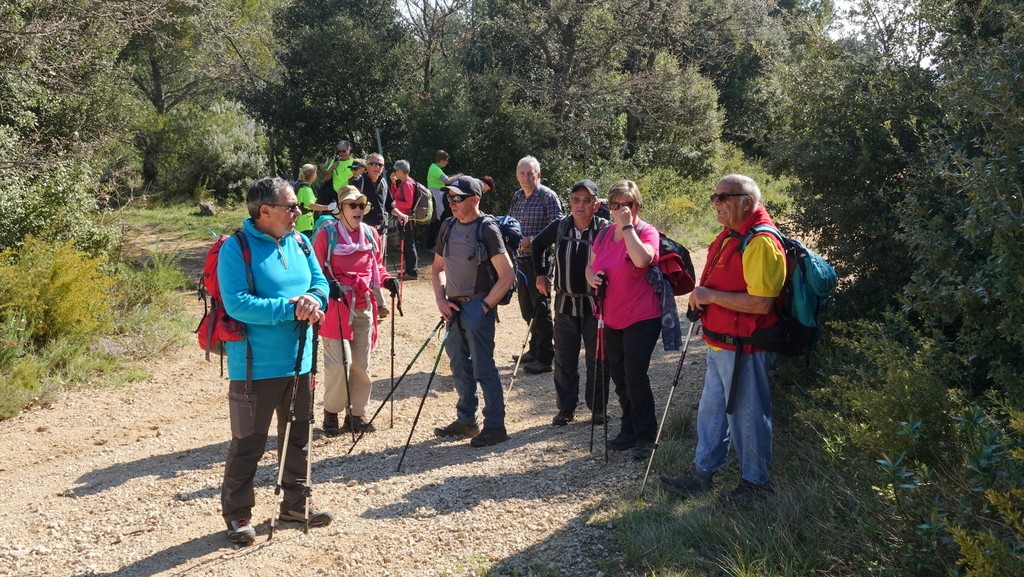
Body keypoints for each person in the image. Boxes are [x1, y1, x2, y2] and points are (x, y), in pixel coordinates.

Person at [217, 177, 333, 545]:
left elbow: (321, 283)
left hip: (300, 360)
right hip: (256, 364)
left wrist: (315, 298)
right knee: (249, 441)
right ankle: (238, 515)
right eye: (291, 206)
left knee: (298, 436)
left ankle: (296, 504)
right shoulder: (235, 248)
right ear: (264, 211)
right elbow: (237, 302)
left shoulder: (300, 241)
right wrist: (291, 308)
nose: (298, 212)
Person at [660, 174, 785, 504]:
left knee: (746, 414)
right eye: (714, 196)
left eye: (723, 197)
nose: (716, 202)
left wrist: (709, 296)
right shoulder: (734, 234)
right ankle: (702, 472)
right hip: (723, 342)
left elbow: (761, 303)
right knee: (712, 409)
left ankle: (755, 485)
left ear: (746, 201)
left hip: (745, 346)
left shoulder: (760, 241)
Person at [431, 176, 515, 447]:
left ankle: (495, 425)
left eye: (458, 198)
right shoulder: (448, 226)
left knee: (483, 367)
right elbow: (436, 268)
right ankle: (466, 419)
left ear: (475, 199)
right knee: (459, 365)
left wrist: (485, 306)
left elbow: (507, 274)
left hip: (478, 307)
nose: (452, 202)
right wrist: (441, 300)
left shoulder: (487, 228)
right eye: (450, 197)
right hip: (453, 308)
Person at [313, 186, 399, 437]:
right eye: (352, 205)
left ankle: (356, 414)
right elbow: (315, 270)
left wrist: (386, 280)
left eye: (361, 205)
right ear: (340, 209)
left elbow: (376, 266)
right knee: (340, 363)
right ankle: (331, 412)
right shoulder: (326, 235)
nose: (358, 210)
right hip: (336, 307)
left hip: (363, 304)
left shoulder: (370, 234)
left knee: (361, 363)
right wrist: (329, 285)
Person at [585, 179, 661, 461]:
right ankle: (628, 427)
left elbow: (643, 260)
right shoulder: (604, 234)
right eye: (615, 205)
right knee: (618, 375)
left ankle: (645, 434)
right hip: (610, 316)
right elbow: (590, 266)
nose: (620, 210)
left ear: (637, 205)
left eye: (626, 204)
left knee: (635, 375)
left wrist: (628, 226)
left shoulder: (645, 231)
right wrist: (591, 277)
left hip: (642, 316)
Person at [531, 179, 610, 426]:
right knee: (564, 359)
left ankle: (598, 409)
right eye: (576, 199)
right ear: (570, 202)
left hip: (595, 306)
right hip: (565, 304)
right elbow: (537, 246)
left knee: (597, 359)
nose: (581, 205)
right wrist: (540, 274)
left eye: (587, 200)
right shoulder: (561, 226)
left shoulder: (605, 230)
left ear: (596, 205)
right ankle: (566, 408)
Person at [508, 155, 562, 375]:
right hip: (519, 260)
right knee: (526, 308)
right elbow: (511, 223)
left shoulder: (548, 197)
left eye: (531, 173)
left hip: (540, 260)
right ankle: (534, 349)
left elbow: (558, 226)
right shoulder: (517, 197)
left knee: (541, 308)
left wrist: (531, 238)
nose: (526, 177)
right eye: (522, 173)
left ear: (538, 174)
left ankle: (545, 356)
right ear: (517, 176)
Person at [350, 152, 408, 318]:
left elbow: (389, 205)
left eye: (380, 165)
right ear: (366, 166)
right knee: (368, 266)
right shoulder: (358, 182)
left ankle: (374, 301)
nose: (377, 167)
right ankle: (379, 303)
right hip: (362, 232)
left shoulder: (383, 183)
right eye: (373, 164)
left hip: (380, 232)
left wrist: (399, 214)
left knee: (377, 265)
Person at [425, 150, 463, 250]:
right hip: (437, 195)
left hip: (438, 194)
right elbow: (447, 181)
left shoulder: (434, 168)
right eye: (446, 160)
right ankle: (432, 245)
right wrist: (458, 176)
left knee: (439, 220)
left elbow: (445, 178)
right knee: (438, 220)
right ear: (441, 160)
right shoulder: (435, 168)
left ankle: (434, 244)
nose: (447, 162)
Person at [389, 159, 421, 280]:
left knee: (409, 244)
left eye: (396, 170)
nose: (394, 172)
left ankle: (412, 272)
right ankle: (409, 270)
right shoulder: (403, 183)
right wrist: (393, 182)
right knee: (407, 244)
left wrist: (393, 204)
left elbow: (408, 204)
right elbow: (394, 196)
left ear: (401, 171)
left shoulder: (407, 184)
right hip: (404, 217)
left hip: (407, 218)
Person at [315, 140, 355, 220]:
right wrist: (332, 167)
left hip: (347, 196)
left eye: (344, 151)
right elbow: (326, 178)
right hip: (334, 197)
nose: (341, 153)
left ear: (349, 150)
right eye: (339, 151)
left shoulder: (353, 162)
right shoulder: (335, 162)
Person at [295, 164, 331, 238]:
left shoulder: (297, 184)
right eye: (315, 172)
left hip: (297, 223)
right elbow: (311, 205)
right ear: (312, 175)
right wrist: (328, 207)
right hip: (304, 224)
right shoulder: (306, 189)